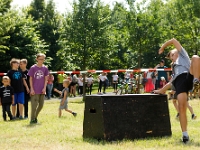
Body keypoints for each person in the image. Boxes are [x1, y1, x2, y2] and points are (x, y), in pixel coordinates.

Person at [154, 38, 200, 143]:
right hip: (180, 82)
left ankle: (197, 81)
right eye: (173, 54)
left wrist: (162, 47)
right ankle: (185, 135)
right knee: (181, 107)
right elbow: (171, 83)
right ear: (172, 58)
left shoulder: (183, 55)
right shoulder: (174, 69)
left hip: (190, 75)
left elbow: (174, 40)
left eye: (176, 52)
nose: (176, 53)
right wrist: (161, 90)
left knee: (195, 57)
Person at [28, 53, 49, 124]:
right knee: (34, 106)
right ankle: (32, 120)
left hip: (42, 89)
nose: (41, 60)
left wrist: (44, 88)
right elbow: (30, 79)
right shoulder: (33, 68)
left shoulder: (45, 68)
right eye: (40, 59)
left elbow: (46, 79)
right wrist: (32, 89)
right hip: (35, 89)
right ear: (37, 59)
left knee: (41, 105)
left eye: (43, 59)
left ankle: (35, 117)